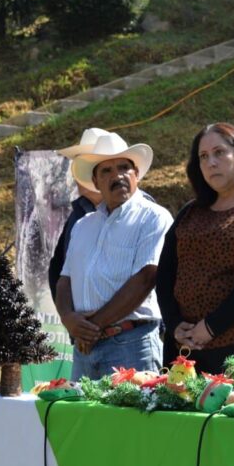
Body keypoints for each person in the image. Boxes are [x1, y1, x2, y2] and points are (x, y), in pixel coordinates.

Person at [157, 124, 234, 375]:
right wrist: (174, 324)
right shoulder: (190, 212)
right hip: (185, 346)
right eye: (203, 156)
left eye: (219, 152)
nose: (211, 162)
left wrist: (211, 326)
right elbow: (165, 273)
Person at [55, 133, 173, 380]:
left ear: (136, 174)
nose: (117, 175)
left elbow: (147, 277)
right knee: (83, 420)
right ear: (96, 182)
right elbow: (64, 279)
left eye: (124, 167)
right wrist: (68, 318)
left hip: (130, 344)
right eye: (106, 171)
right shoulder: (83, 225)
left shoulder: (154, 217)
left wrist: (91, 327)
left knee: (131, 420)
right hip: (85, 347)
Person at [48, 128, 110, 301]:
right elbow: (59, 271)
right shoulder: (77, 215)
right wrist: (69, 316)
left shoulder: (141, 210)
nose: (77, 175)